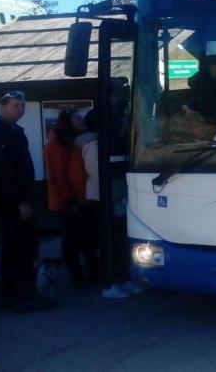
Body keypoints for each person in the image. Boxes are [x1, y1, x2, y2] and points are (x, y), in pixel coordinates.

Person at [0, 91, 56, 313]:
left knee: (18, 248)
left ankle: (10, 296)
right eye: (16, 105)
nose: (21, 109)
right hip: (11, 203)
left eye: (22, 105)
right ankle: (21, 296)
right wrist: (20, 202)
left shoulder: (14, 131)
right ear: (2, 107)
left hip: (19, 199)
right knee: (20, 249)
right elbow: (3, 173)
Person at [73, 109, 142, 299]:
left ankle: (122, 277)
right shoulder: (93, 145)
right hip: (103, 198)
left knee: (118, 239)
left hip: (114, 197)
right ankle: (110, 281)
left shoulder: (107, 143)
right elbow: (99, 174)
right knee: (109, 241)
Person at [43, 110, 91, 287]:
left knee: (77, 235)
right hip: (65, 199)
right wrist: (70, 200)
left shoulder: (71, 140)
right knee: (72, 237)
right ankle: (75, 274)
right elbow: (58, 175)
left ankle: (79, 271)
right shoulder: (58, 144)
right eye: (77, 118)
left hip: (74, 197)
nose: (81, 120)